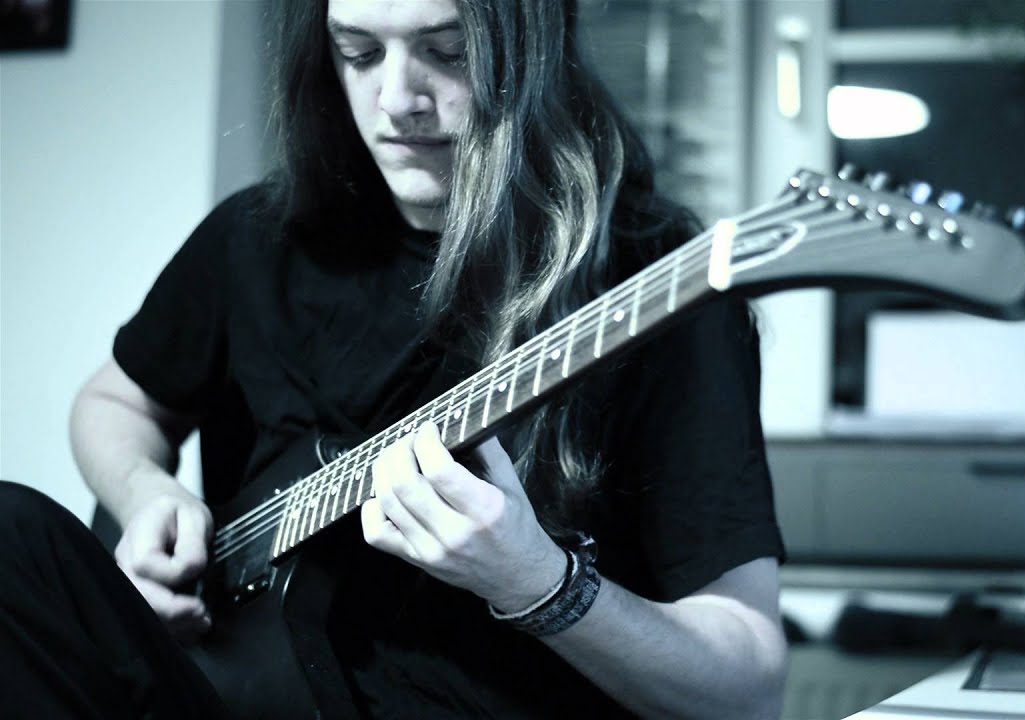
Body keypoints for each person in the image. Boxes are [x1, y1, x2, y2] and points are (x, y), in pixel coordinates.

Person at [1, 0, 788, 717]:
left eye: (447, 52)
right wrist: (144, 493)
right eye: (359, 52)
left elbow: (745, 688)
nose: (397, 99)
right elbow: (115, 402)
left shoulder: (656, 282)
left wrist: (538, 583)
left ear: (533, 50)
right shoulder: (257, 236)